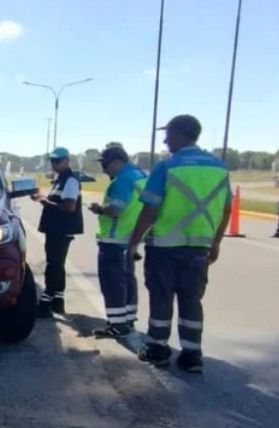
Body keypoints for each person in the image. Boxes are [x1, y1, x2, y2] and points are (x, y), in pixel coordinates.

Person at [126, 115, 231, 374]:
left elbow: (151, 208)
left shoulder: (167, 167)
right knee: (191, 300)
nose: (165, 139)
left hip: (164, 245)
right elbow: (227, 209)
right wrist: (216, 243)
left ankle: (157, 350)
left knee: (162, 297)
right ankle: (192, 354)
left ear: (181, 135)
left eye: (169, 134)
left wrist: (133, 242)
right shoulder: (219, 168)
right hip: (198, 248)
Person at [87, 146, 146, 338]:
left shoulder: (121, 181)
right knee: (128, 279)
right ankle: (127, 318)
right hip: (131, 237)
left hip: (114, 237)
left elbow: (116, 210)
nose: (104, 169)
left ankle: (117, 325)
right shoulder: (140, 176)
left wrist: (99, 209)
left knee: (112, 282)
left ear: (117, 162)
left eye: (105, 164)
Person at [31, 147, 83, 317]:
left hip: (62, 228)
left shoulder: (70, 180)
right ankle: (58, 301)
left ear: (67, 161)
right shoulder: (60, 180)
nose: (54, 164)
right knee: (57, 264)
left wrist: (45, 202)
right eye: (53, 161)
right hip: (56, 228)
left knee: (54, 265)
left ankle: (46, 300)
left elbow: (69, 206)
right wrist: (41, 197)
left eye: (58, 161)